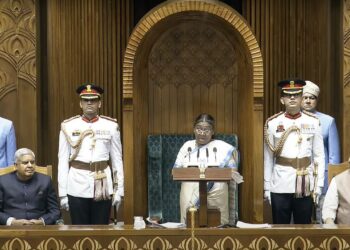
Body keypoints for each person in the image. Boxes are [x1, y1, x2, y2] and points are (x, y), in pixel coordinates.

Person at [58, 83, 124, 225]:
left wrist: (119, 190)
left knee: (101, 231)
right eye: (85, 100)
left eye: (93, 100)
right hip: (76, 185)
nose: (89, 102)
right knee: (79, 230)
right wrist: (62, 193)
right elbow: (62, 161)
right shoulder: (68, 126)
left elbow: (117, 160)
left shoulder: (111, 126)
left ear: (99, 103)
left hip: (103, 185)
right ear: (80, 103)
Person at [264, 79, 325, 224]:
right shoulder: (272, 123)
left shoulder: (313, 122)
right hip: (280, 182)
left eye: (296, 95)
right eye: (288, 95)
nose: (292, 98)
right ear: (282, 99)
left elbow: (319, 156)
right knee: (280, 228)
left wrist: (319, 185)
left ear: (301, 98)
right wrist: (267, 187)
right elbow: (267, 158)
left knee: (303, 228)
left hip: (305, 180)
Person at [173, 113, 240, 225]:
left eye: (207, 130)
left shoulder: (223, 147)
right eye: (199, 129)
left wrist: (219, 173)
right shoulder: (186, 146)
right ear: (194, 129)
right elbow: (176, 170)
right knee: (190, 224)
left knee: (218, 225)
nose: (202, 133)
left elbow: (233, 172)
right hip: (190, 190)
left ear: (213, 131)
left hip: (217, 191)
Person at [302, 80, 341, 223]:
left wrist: (331, 180)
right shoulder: (292, 120)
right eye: (305, 97)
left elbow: (334, 156)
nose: (307, 101)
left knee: (322, 216)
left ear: (316, 101)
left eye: (311, 98)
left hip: (322, 177)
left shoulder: (328, 121)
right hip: (300, 176)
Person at [0, 148, 60, 225]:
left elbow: (55, 211)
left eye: (32, 162)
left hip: (40, 229)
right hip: (11, 229)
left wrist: (42, 221)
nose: (30, 165)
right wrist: (11, 221)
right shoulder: (2, 181)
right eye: (25, 163)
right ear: (16, 166)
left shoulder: (45, 181)